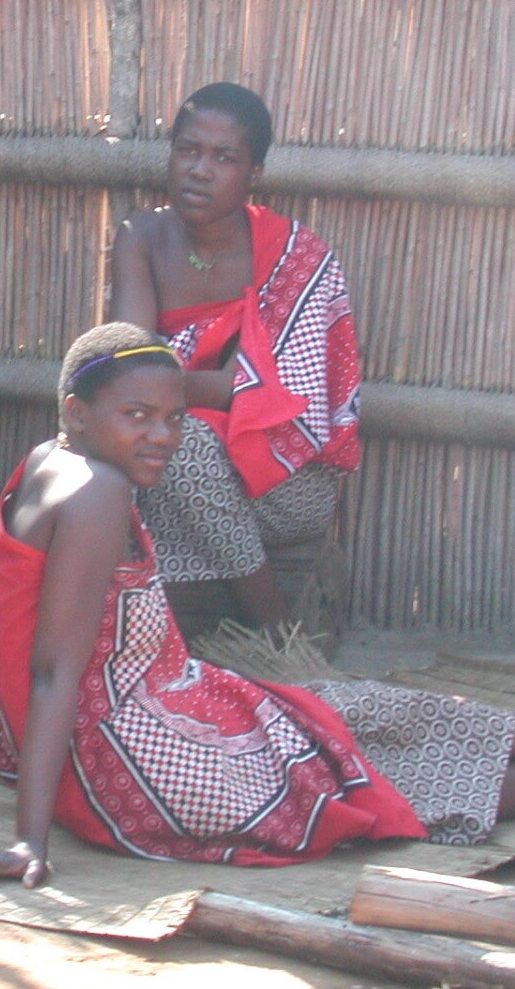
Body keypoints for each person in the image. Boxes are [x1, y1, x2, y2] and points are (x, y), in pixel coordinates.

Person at [0, 323, 515, 888]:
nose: (161, 436)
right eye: (138, 415)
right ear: (79, 411)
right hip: (139, 763)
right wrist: (28, 841)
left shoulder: (46, 464)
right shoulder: (97, 493)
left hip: (137, 727)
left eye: (174, 418)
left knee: (349, 716)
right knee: (367, 779)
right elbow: (48, 668)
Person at [109, 82, 359, 639]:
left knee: (180, 443)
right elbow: (129, 367)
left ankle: (272, 631)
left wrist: (176, 387)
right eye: (187, 150)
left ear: (254, 173)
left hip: (283, 483)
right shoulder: (141, 237)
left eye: (224, 158)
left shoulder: (298, 256)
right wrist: (221, 386)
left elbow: (291, 399)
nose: (200, 170)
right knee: (127, 450)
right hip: (164, 462)